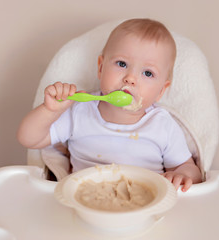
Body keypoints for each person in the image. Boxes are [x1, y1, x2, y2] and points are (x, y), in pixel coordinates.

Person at [17, 18, 202, 192]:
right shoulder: (79, 111)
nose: (130, 78)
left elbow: (188, 168)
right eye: (122, 63)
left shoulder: (162, 125)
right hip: (85, 201)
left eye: (147, 73)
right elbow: (29, 139)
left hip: (142, 203)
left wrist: (182, 175)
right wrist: (50, 110)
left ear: (162, 90)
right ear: (100, 67)